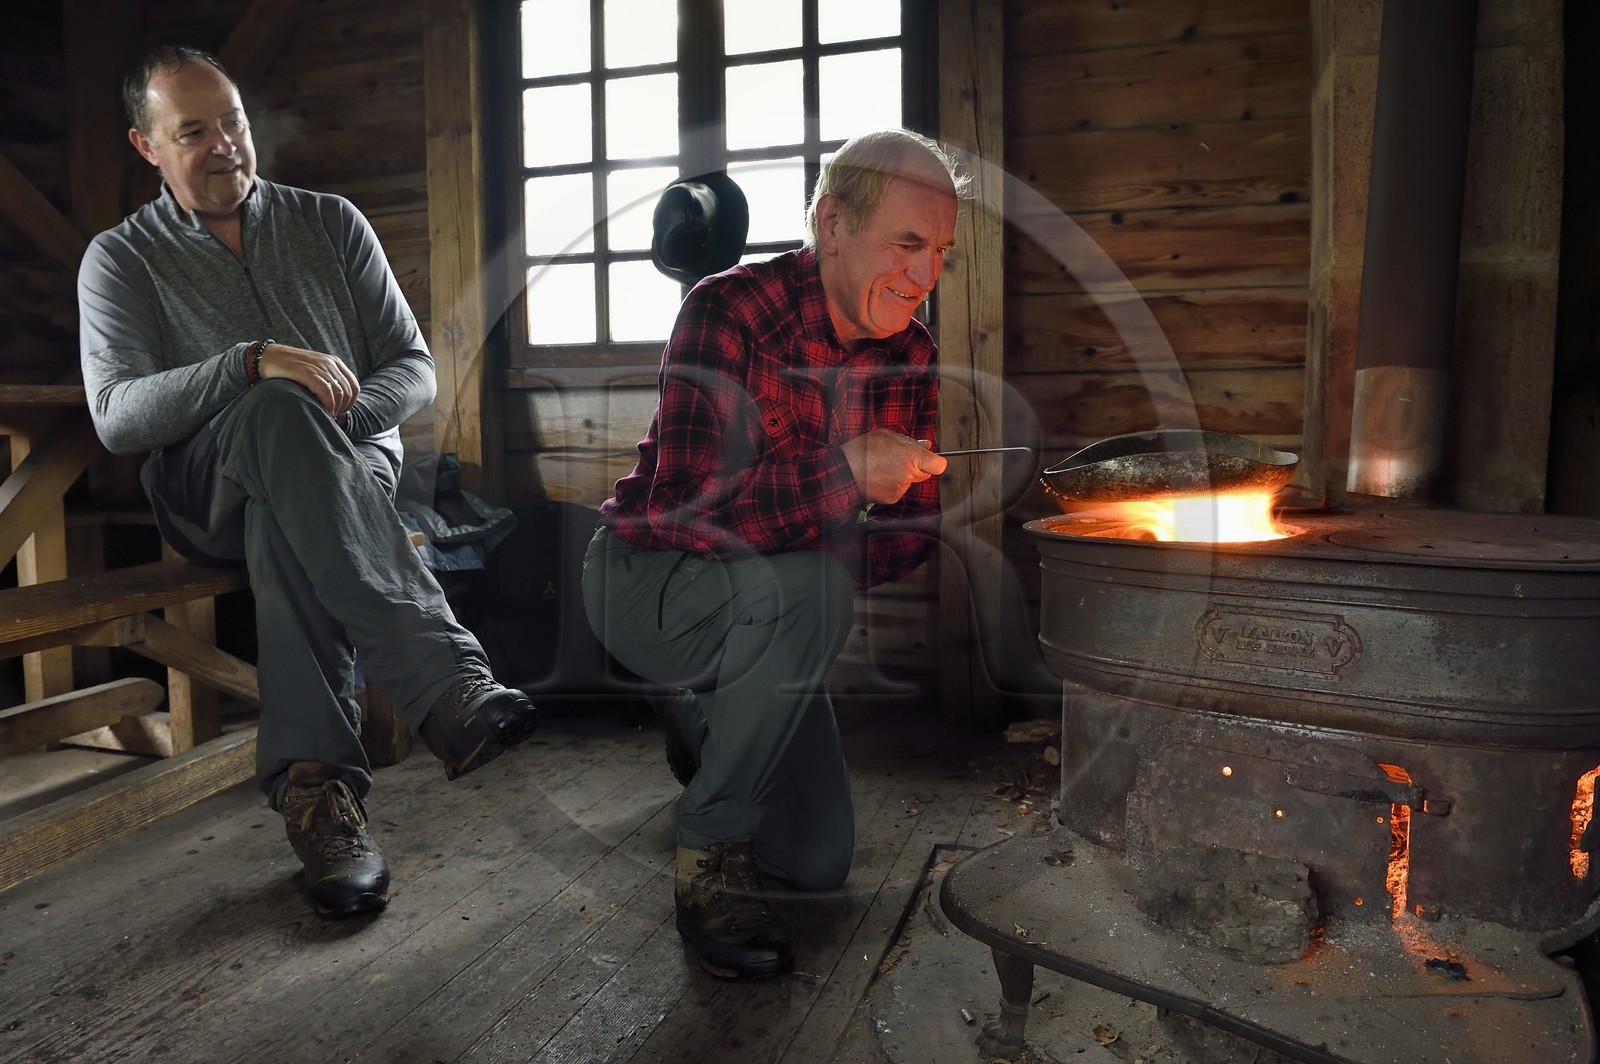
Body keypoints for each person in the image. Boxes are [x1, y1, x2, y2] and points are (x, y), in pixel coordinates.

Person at [77, 46, 540, 919]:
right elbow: (118, 416)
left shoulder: (330, 221)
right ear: (146, 146)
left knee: (288, 517)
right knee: (274, 409)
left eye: (234, 120)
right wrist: (248, 364)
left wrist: (337, 427)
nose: (226, 146)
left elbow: (413, 367)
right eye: (193, 132)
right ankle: (445, 681)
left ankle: (321, 801)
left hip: (342, 475)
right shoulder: (119, 259)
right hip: (202, 489)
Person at [582, 130, 964, 979]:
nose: (924, 274)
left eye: (940, 251)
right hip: (648, 586)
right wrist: (841, 480)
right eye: (907, 244)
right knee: (815, 583)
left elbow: (898, 548)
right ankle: (707, 855)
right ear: (832, 225)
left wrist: (904, 501)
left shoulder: (912, 352)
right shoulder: (728, 308)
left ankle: (708, 719)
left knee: (818, 861)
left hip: (771, 620)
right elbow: (687, 512)